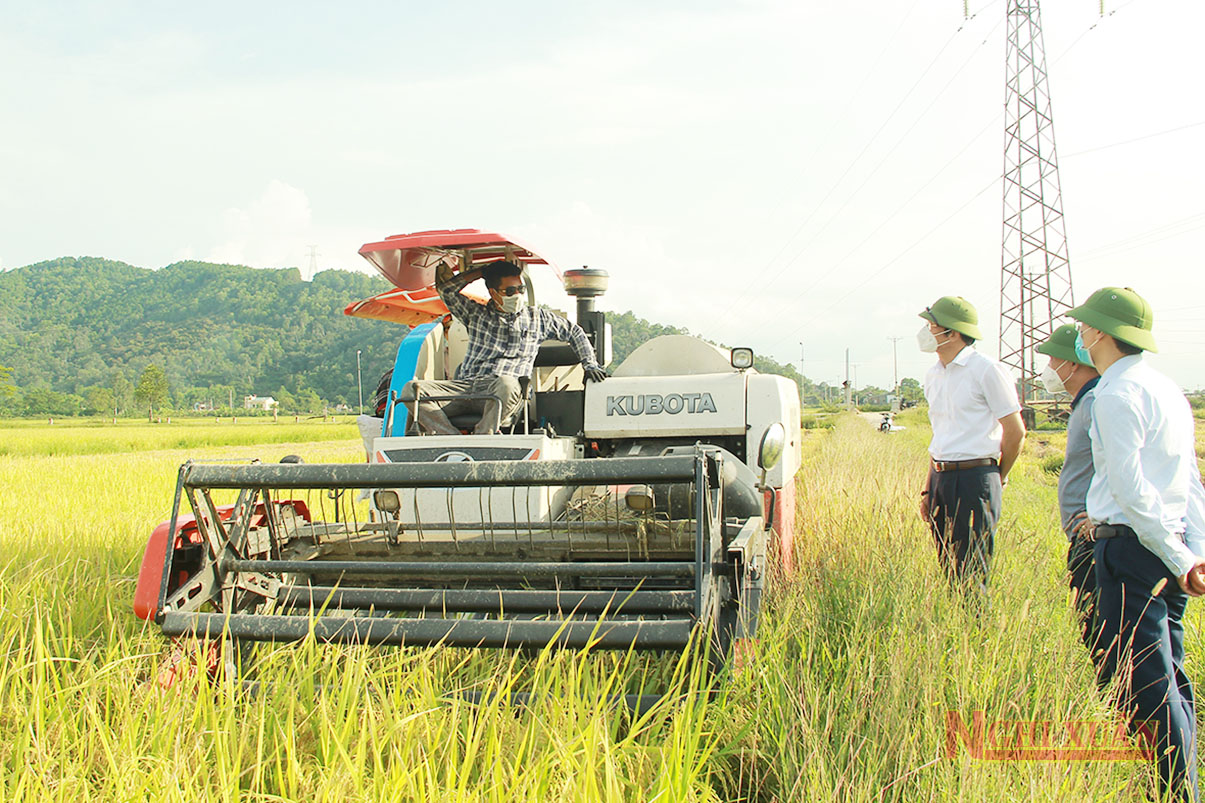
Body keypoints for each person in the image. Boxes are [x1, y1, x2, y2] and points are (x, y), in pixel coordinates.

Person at [1070, 286, 1205, 801]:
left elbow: (1130, 491)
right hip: (1166, 546)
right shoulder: (1167, 389)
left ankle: (1173, 792)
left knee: (1144, 683)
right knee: (1169, 673)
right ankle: (1181, 781)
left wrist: (1178, 555)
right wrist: (1191, 552)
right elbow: (1189, 481)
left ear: (1103, 332)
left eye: (1086, 326)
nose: (1082, 333)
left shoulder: (1114, 395)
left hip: (1133, 550)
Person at [401, 259, 606, 435]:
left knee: (507, 384)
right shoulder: (475, 314)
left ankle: (484, 436)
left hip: (504, 391)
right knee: (411, 389)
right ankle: (448, 436)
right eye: (509, 291)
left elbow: (575, 333)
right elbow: (446, 290)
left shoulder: (538, 318)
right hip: (466, 388)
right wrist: (480, 272)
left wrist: (590, 365)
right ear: (493, 292)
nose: (517, 295)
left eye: (520, 289)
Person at [917, 296, 1025, 596]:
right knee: (948, 566)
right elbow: (939, 435)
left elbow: (1015, 432)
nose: (926, 332)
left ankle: (975, 633)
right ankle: (956, 627)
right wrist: (929, 488)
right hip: (941, 476)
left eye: (931, 326)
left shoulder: (986, 369)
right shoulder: (933, 374)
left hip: (976, 477)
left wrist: (996, 476)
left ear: (951, 333)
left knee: (972, 570)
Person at [1035, 324, 1101, 662]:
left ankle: (1120, 708)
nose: (1048, 370)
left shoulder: (1096, 402)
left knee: (1102, 636)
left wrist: (1099, 517)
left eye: (1052, 360)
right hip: (1087, 535)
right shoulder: (1086, 402)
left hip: (1097, 538)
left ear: (1072, 363)